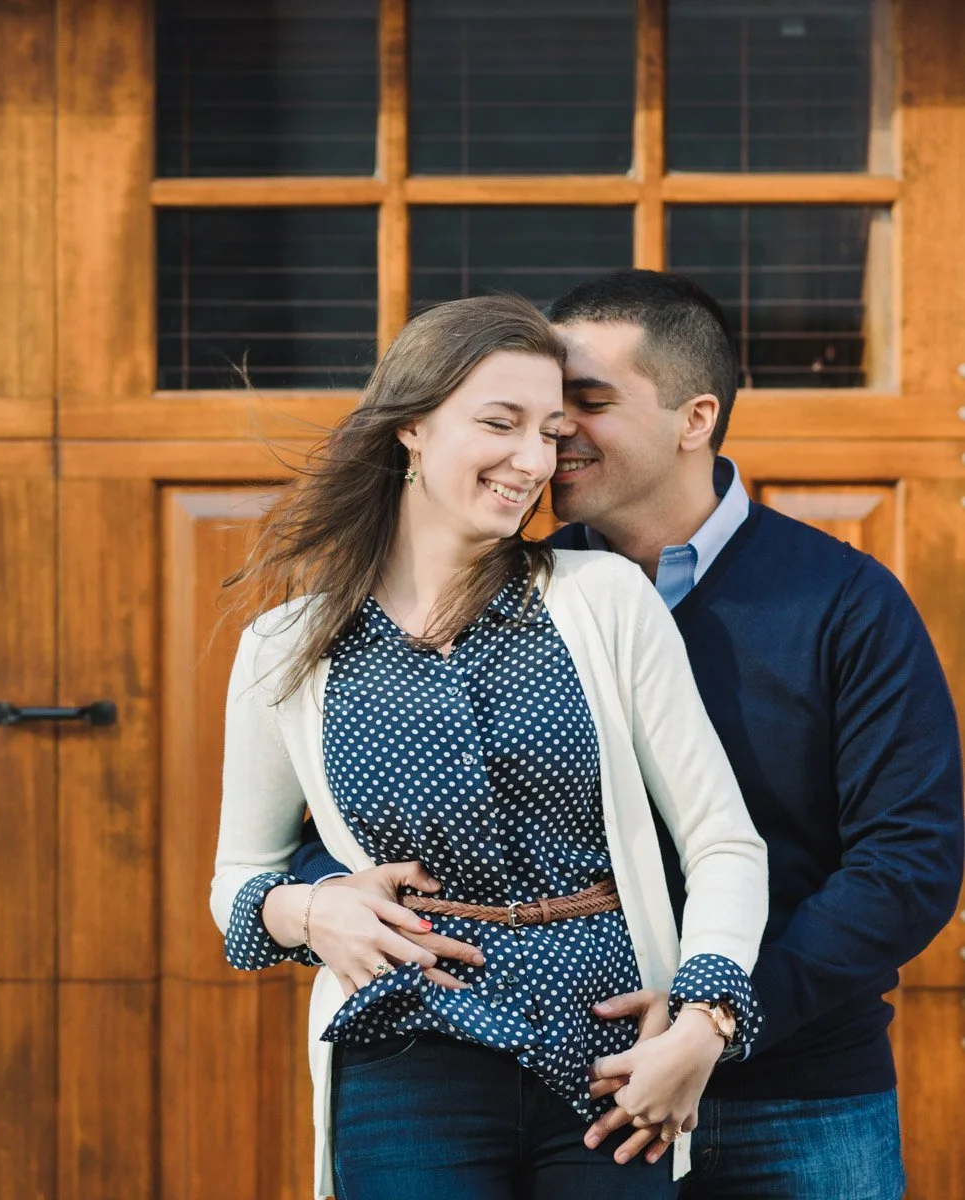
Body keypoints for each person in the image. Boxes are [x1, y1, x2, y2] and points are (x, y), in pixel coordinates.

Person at [290, 271, 964, 1200]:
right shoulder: (506, 596)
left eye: (587, 402)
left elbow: (908, 862)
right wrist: (315, 899)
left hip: (799, 1098)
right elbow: (345, 808)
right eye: (536, 409)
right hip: (579, 1089)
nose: (553, 431)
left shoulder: (844, 601)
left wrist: (718, 1016)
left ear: (695, 419)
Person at [210, 293, 768, 1200]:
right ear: (412, 431)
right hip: (405, 1057)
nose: (533, 460)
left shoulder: (603, 603)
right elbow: (238, 874)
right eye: (499, 424)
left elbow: (723, 843)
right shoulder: (290, 646)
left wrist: (701, 1025)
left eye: (549, 431)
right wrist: (311, 914)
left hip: (612, 1059)